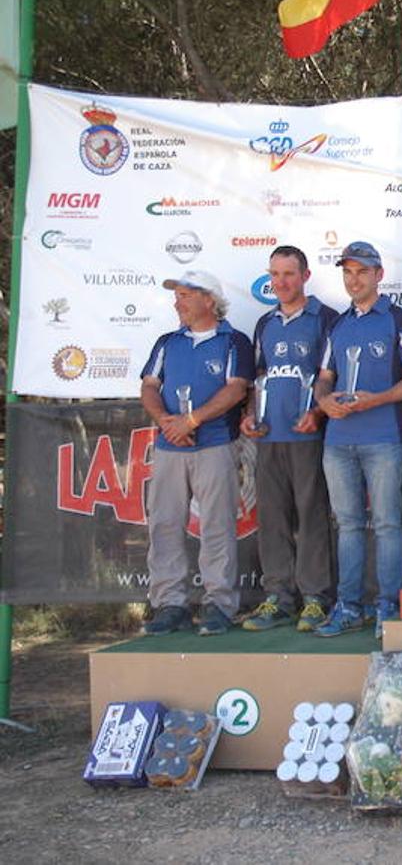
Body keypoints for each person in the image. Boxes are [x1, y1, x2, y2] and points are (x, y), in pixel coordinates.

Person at [313, 241, 402, 638]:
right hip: (338, 439)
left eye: (362, 271)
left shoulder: (398, 320)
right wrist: (324, 402)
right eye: (347, 272)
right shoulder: (338, 324)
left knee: (386, 524)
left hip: (383, 437)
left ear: (379, 275)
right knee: (347, 525)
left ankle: (387, 606)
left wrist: (376, 400)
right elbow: (324, 377)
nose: (354, 279)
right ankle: (349, 606)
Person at [139, 270, 253, 637]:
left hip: (216, 444)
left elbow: (236, 391)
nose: (178, 302)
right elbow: (149, 387)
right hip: (169, 447)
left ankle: (218, 603)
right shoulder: (167, 343)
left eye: (185, 295)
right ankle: (170, 604)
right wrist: (167, 422)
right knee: (165, 524)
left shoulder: (234, 341)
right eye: (177, 296)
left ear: (209, 300)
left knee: (217, 525)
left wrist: (191, 421)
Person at [239, 246, 339, 632]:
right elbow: (259, 377)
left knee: (313, 515)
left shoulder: (324, 319)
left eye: (289, 274)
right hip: (268, 437)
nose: (281, 282)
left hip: (307, 435)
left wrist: (316, 414)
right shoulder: (265, 324)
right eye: (275, 275)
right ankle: (278, 597)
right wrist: (249, 414)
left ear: (305, 276)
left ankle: (315, 597)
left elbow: (332, 378)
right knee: (272, 518)